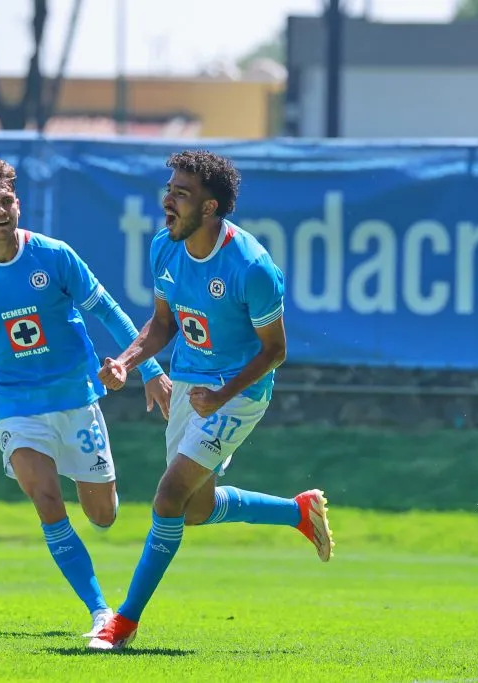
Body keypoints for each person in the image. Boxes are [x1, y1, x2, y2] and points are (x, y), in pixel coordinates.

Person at [0, 158, 172, 639]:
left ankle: (91, 497)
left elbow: (107, 312)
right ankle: (100, 612)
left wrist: (147, 369)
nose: (0, 210)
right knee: (47, 500)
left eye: (6, 201)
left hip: (76, 398)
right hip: (15, 405)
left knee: (103, 517)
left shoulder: (55, 256)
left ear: (17, 204)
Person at [87, 150, 334, 651]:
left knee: (167, 497)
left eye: (181, 193)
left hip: (238, 395)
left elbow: (276, 351)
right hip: (188, 385)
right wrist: (125, 363)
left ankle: (123, 623)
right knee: (194, 511)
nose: (168, 200)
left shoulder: (252, 267)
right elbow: (162, 325)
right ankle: (297, 513)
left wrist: (222, 395)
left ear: (210, 207)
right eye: (169, 189)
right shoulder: (164, 248)